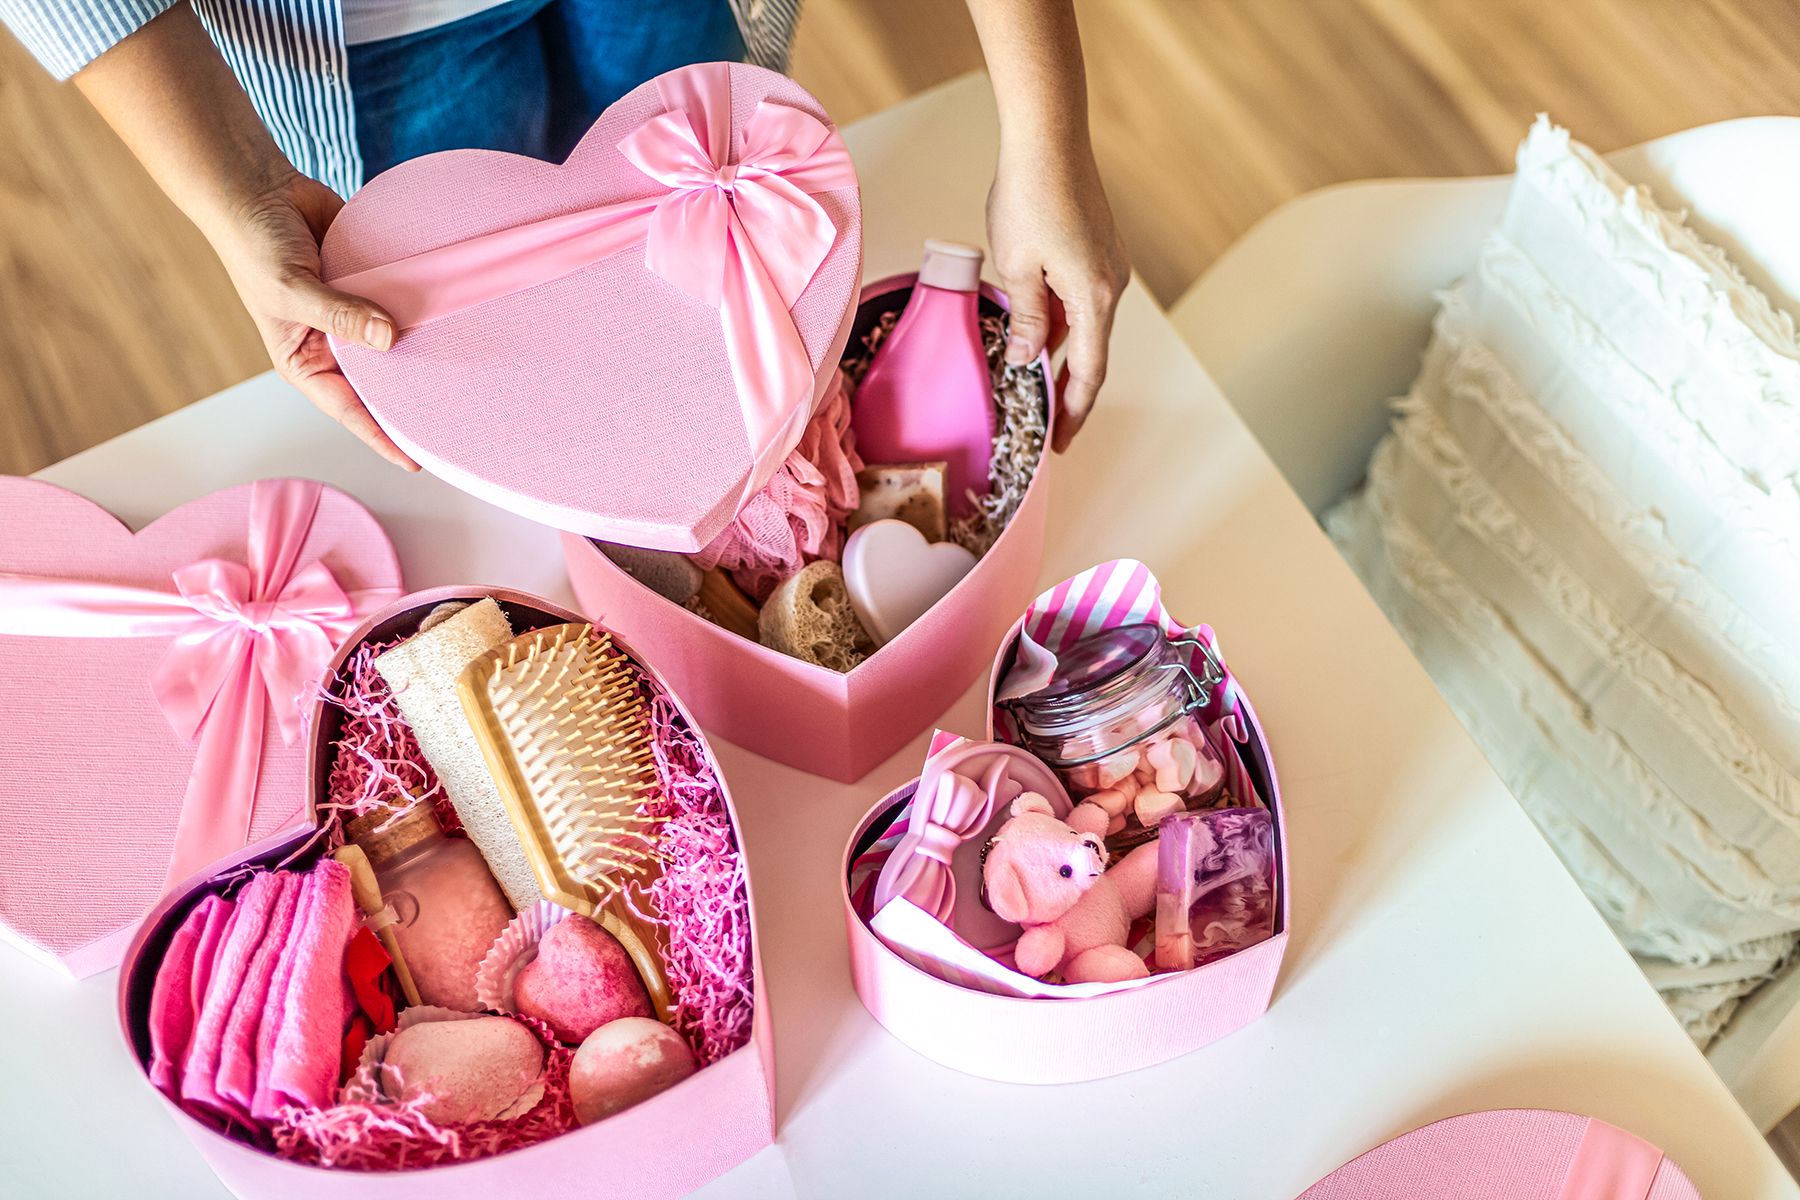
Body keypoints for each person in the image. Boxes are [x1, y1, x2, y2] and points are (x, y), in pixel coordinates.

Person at [2, 0, 1127, 468]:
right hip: (369, 31)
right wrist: (238, 188)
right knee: (509, 363)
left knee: (716, 252)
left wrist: (1046, 136)